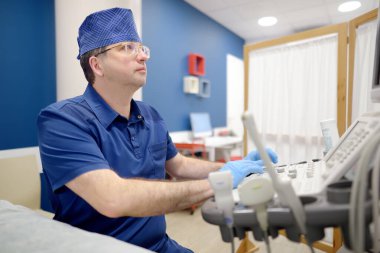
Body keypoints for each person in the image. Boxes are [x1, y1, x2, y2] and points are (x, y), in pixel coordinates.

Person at [37, 8, 278, 253]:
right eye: (127, 48)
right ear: (97, 65)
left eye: (141, 48)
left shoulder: (150, 115)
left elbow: (179, 166)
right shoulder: (62, 120)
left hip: (159, 244)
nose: (143, 56)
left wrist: (237, 167)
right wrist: (220, 181)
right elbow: (113, 198)